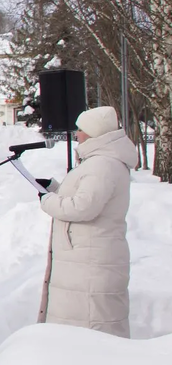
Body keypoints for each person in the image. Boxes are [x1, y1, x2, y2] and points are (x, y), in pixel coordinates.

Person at [37, 106, 135, 338]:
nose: (77, 133)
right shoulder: (101, 161)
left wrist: (47, 200)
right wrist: (54, 189)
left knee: (91, 330)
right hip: (86, 258)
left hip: (90, 260)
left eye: (81, 129)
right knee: (84, 327)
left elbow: (84, 207)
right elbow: (87, 198)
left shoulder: (102, 165)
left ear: (94, 133)